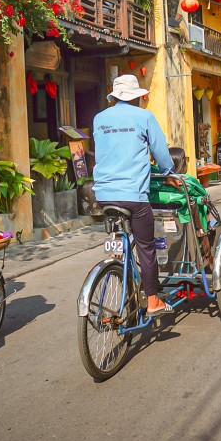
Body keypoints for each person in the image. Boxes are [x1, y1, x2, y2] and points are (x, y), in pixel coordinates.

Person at [91, 75, 175, 317]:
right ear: (136, 97)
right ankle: (152, 301)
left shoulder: (99, 119)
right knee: (146, 247)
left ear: (114, 97)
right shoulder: (144, 116)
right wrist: (168, 172)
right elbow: (159, 150)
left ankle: (117, 261)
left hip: (104, 195)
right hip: (133, 196)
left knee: (122, 239)